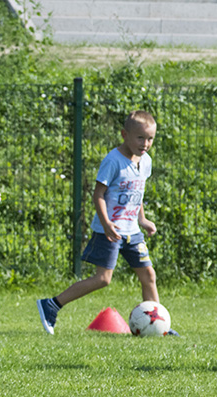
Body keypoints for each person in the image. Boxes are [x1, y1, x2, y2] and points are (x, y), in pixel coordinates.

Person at [36, 110, 178, 337]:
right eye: (140, 138)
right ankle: (52, 304)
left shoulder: (146, 161)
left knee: (148, 275)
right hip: (109, 231)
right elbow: (98, 194)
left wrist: (142, 219)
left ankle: (160, 325)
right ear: (124, 134)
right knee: (103, 279)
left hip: (132, 231)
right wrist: (107, 223)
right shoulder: (113, 161)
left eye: (150, 138)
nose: (145, 144)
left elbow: (137, 193)